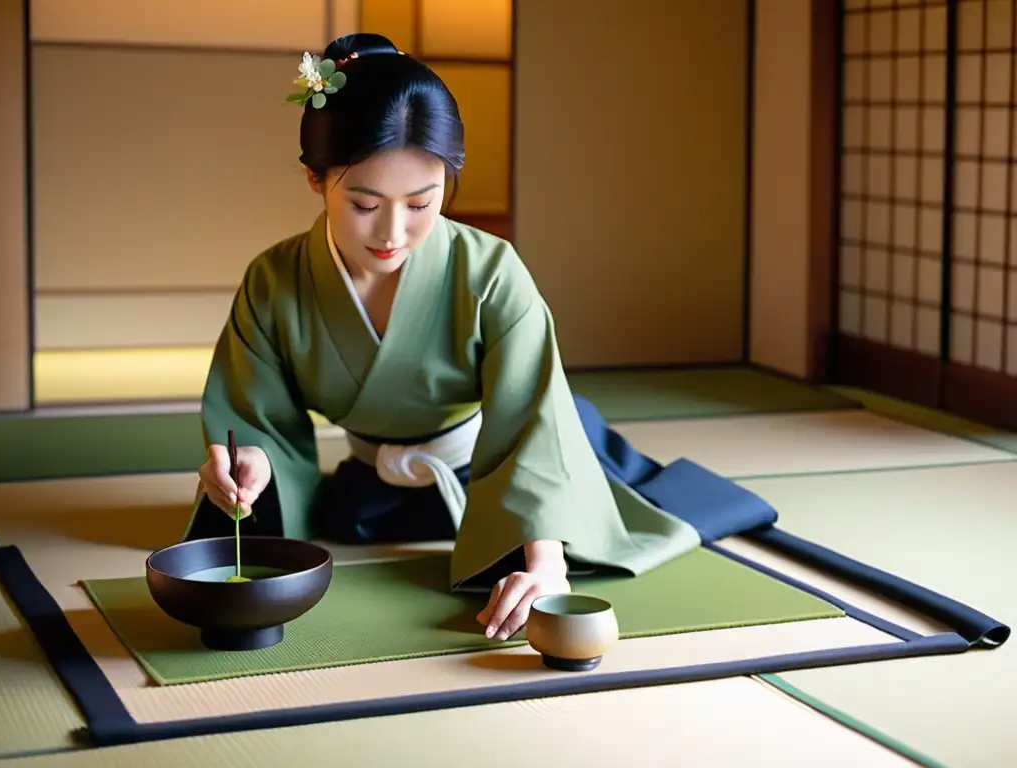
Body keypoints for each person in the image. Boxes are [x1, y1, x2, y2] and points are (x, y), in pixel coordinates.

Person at [185, 34, 701, 642]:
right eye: (364, 203)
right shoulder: (275, 282)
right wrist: (251, 466)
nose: (393, 232)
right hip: (376, 479)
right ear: (315, 179)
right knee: (327, 526)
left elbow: (532, 421)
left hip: (500, 463)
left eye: (422, 202)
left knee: (529, 559)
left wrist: (547, 562)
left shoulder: (491, 273)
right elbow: (256, 418)